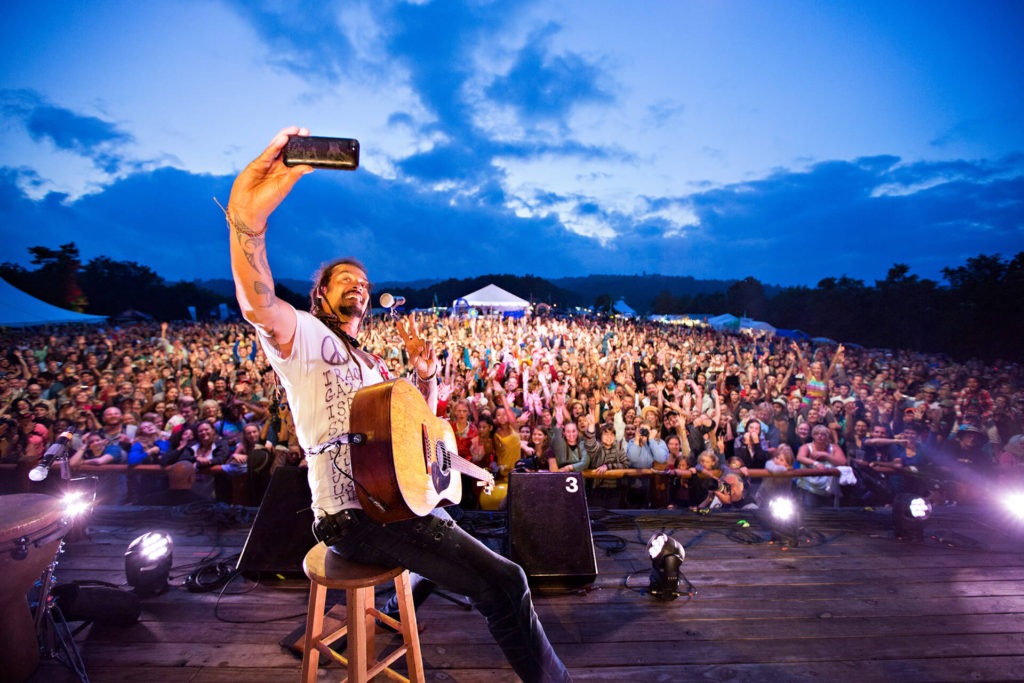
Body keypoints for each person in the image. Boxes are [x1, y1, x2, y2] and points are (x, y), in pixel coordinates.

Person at [225, 127, 569, 682]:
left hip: (396, 503)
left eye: (362, 280)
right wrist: (246, 221)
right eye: (344, 280)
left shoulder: (374, 365)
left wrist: (428, 376)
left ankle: (387, 606)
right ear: (321, 296)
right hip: (353, 517)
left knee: (451, 523)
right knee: (507, 583)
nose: (357, 285)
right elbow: (259, 302)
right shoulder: (307, 336)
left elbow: (422, 426)